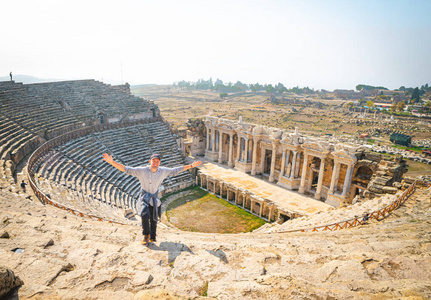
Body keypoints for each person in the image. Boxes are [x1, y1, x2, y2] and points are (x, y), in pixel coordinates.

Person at [102, 152, 201, 245]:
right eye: (154, 161)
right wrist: (112, 162)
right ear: (150, 161)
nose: (155, 163)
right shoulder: (142, 171)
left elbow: (176, 170)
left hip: (154, 196)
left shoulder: (163, 171)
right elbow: (127, 169)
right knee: (144, 215)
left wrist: (191, 166)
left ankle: (153, 237)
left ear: (159, 163)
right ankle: (146, 235)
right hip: (144, 196)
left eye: (157, 161)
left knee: (154, 219)